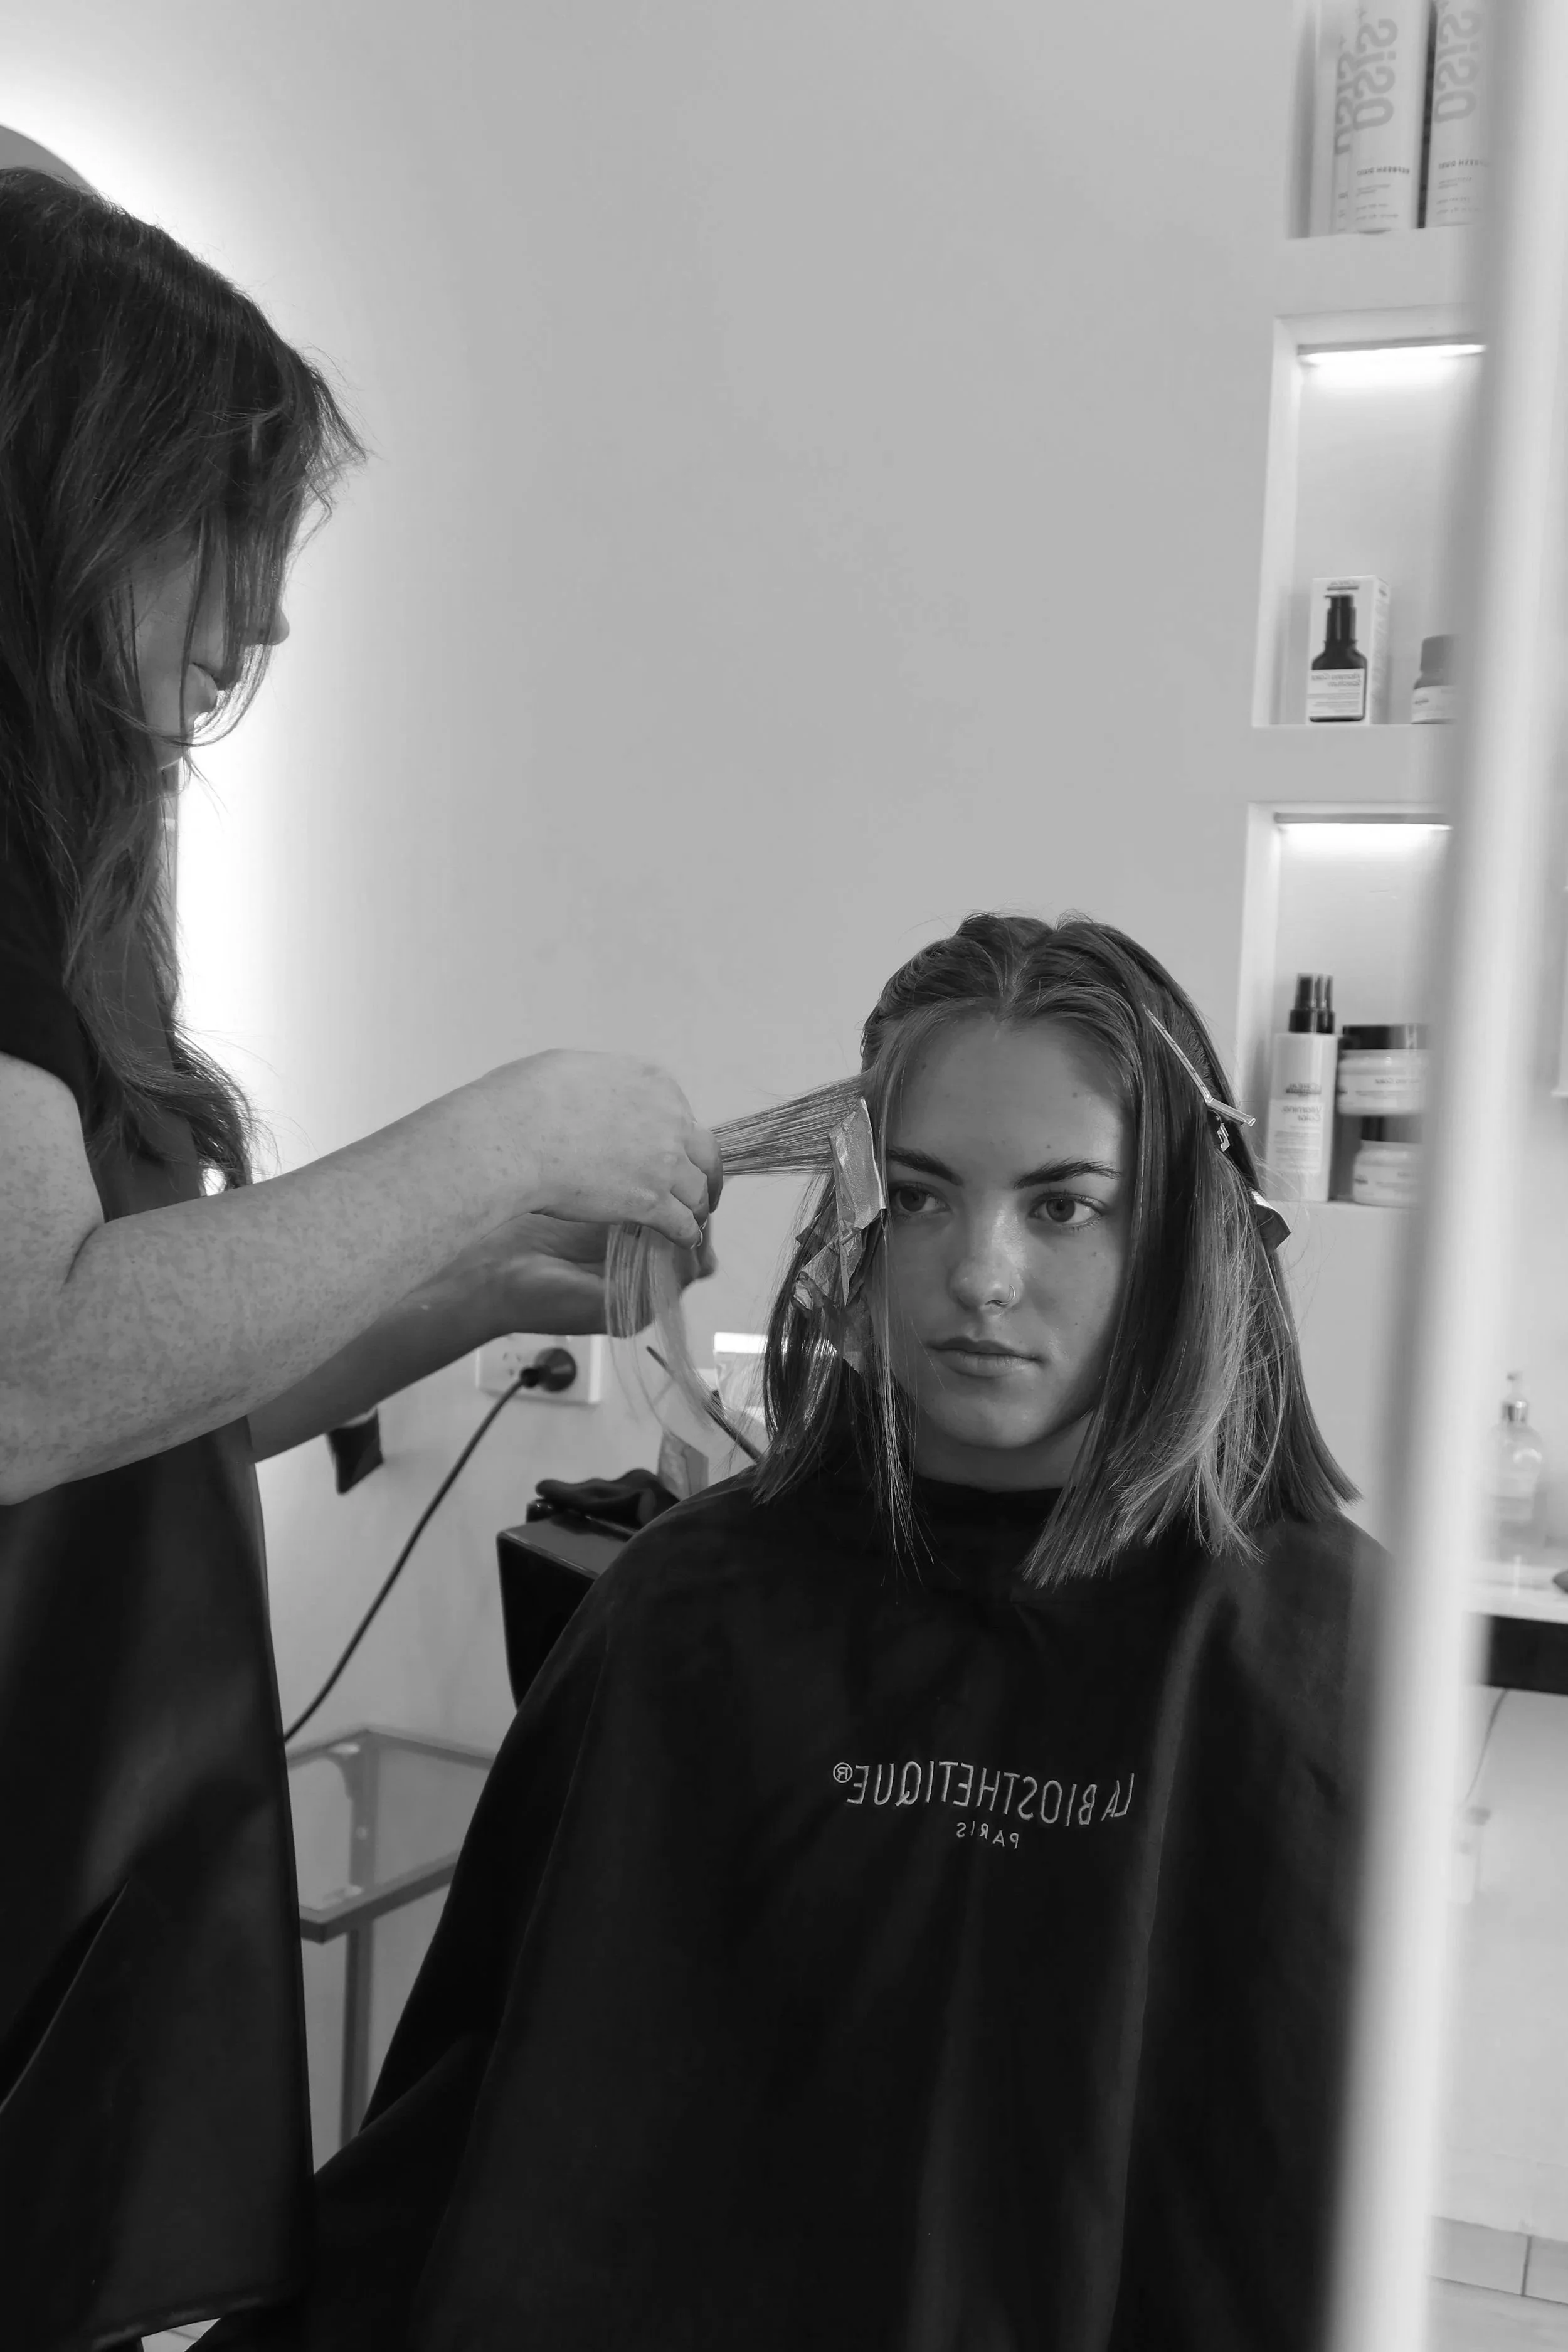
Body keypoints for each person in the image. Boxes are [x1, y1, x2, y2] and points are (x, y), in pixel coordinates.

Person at [214, 911, 1379, 2352]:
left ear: (1186, 1227)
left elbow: (1263, 2209)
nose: (981, 1273)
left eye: (1063, 1204)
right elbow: (483, 2114)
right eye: (920, 1196)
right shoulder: (683, 1607)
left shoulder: (1312, 1649)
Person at [0, 167, 721, 2352]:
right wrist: (516, 1127)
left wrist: (483, 1283)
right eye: (224, 547)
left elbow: (130, 1423)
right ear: (61, 487)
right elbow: (30, 1376)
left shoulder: (68, 871)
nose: (262, 637)